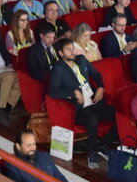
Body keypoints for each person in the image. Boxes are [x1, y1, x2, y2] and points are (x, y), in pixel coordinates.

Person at [49, 38, 117, 168]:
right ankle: (93, 152)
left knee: (117, 115)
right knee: (92, 118)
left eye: (72, 48)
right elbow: (53, 92)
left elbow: (97, 75)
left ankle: (103, 145)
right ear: (61, 53)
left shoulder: (81, 59)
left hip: (93, 101)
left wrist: (101, 88)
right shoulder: (58, 69)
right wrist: (73, 93)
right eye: (68, 50)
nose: (72, 52)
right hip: (78, 109)